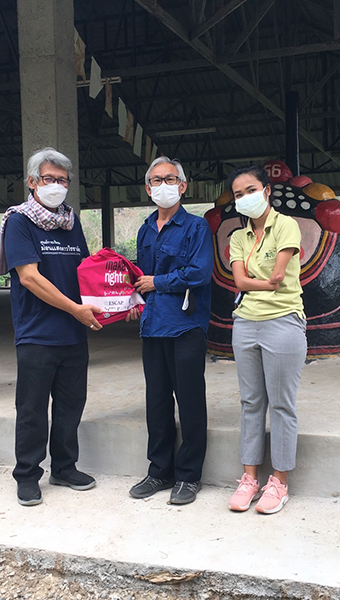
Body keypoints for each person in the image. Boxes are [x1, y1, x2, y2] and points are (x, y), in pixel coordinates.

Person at [0, 147, 103, 506]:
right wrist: (76, 310)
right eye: (48, 179)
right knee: (33, 408)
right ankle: (27, 475)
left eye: (62, 180)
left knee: (71, 405)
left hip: (72, 333)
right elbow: (29, 279)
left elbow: (86, 272)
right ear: (32, 182)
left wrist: (115, 300)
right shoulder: (19, 221)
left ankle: (65, 467)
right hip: (37, 333)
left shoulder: (72, 221)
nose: (56, 185)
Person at [125, 156, 214, 505]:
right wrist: (133, 298)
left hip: (186, 325)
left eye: (171, 179)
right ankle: (159, 470)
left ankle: (189, 476)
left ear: (183, 185)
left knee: (190, 401)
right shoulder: (145, 229)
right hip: (153, 326)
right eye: (157, 180)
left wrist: (155, 283)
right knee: (157, 402)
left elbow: (200, 273)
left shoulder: (196, 228)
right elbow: (139, 277)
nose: (164, 185)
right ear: (148, 188)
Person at [225, 164, 307, 514]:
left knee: (282, 404)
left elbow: (277, 277)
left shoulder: (286, 225)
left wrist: (255, 281)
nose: (245, 198)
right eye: (239, 194)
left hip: (283, 321)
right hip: (245, 322)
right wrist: (261, 284)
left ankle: (280, 482)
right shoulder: (238, 236)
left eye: (251, 190)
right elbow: (242, 282)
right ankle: (249, 478)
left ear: (267, 191)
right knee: (251, 403)